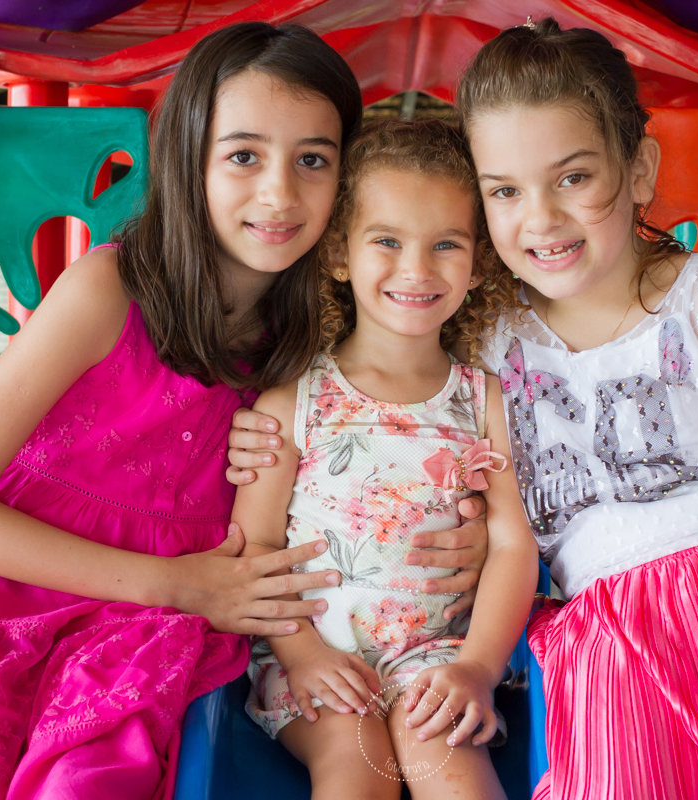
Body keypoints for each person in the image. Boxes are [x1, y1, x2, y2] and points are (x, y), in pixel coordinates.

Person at [230, 18, 698, 800]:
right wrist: (261, 438)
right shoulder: (486, 340)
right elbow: (400, 432)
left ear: (640, 170)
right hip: (609, 645)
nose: (540, 217)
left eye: (572, 178)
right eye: (505, 191)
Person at [0, 23, 482, 799]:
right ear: (189, 158)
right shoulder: (109, 292)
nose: (279, 193)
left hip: (138, 638)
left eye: (312, 159)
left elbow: (384, 470)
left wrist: (460, 534)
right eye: (243, 156)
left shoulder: (319, 344)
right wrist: (176, 585)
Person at [233, 119, 537, 800]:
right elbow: (256, 545)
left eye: (446, 244)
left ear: (479, 262)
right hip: (311, 651)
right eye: (388, 241)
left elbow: (512, 543)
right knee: (356, 763)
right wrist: (304, 655)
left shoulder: (484, 400)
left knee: (448, 766)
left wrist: (479, 667)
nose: (417, 268)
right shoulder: (293, 400)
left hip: (437, 655)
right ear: (340, 252)